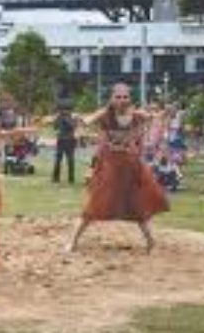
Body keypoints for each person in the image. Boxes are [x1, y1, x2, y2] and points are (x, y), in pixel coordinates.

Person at [65, 83, 169, 254]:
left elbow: (154, 117)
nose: (122, 100)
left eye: (125, 97)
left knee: (136, 204)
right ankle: (73, 241)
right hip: (109, 166)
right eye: (118, 97)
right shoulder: (105, 114)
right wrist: (79, 120)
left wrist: (163, 114)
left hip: (130, 166)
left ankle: (150, 242)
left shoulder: (137, 115)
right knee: (95, 203)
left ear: (130, 98)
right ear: (112, 98)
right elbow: (87, 120)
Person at [52, 104, 79, 184]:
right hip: (66, 139)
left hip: (64, 139)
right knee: (67, 159)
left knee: (62, 159)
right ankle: (69, 178)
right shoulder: (67, 117)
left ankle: (57, 178)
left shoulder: (60, 117)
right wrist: (75, 120)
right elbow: (72, 126)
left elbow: (55, 127)